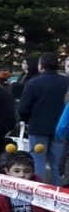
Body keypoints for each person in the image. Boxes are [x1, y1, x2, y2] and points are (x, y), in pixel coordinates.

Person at [21, 53, 69, 184]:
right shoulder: (66, 82)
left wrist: (26, 120)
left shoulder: (33, 83)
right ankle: (57, 194)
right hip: (60, 128)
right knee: (56, 165)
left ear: (40, 65)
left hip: (38, 128)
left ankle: (39, 192)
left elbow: (23, 108)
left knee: (38, 163)